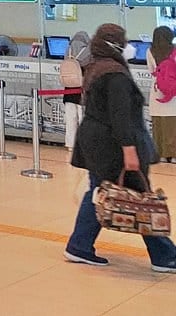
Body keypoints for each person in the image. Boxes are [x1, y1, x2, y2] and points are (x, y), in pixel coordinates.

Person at [65, 23, 176, 272]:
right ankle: (164, 255)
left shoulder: (97, 66)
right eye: (124, 43)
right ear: (114, 45)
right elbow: (120, 116)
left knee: (99, 191)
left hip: (96, 141)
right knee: (140, 195)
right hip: (112, 145)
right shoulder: (114, 74)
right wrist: (129, 150)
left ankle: (79, 246)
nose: (129, 47)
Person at [147, 25, 176, 163]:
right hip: (173, 89)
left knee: (158, 123)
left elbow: (151, 70)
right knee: (172, 123)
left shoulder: (150, 51)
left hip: (156, 88)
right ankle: (174, 154)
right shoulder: (175, 50)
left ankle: (161, 154)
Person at [63, 31, 93, 151]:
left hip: (69, 89)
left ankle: (70, 144)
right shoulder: (89, 50)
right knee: (83, 119)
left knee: (70, 119)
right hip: (82, 89)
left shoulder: (68, 50)